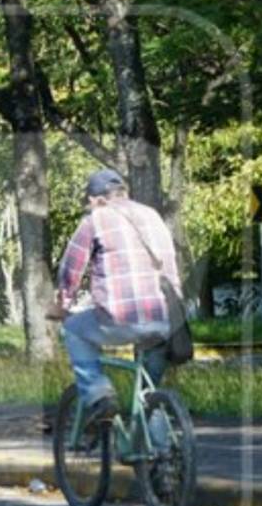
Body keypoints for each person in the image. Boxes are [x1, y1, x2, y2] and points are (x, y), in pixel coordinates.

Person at [46, 168, 183, 423]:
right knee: (146, 395)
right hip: (165, 321)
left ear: (94, 199)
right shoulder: (152, 216)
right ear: (124, 193)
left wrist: (61, 305)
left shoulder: (96, 219)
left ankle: (100, 396)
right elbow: (171, 267)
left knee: (74, 330)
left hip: (120, 319)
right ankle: (163, 454)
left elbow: (71, 269)